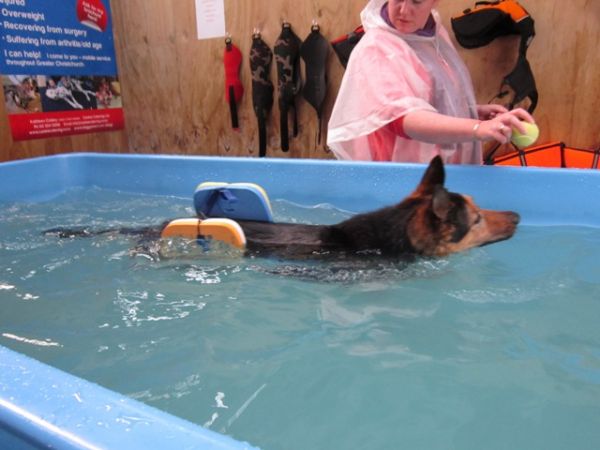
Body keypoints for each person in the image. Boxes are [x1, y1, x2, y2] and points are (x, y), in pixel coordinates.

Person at [327, 0, 535, 164]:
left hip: (438, 175)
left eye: (417, 1)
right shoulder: (377, 48)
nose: (404, 10)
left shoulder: (432, 36)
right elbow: (403, 119)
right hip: (401, 183)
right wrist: (477, 128)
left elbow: (432, 97)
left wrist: (469, 111)